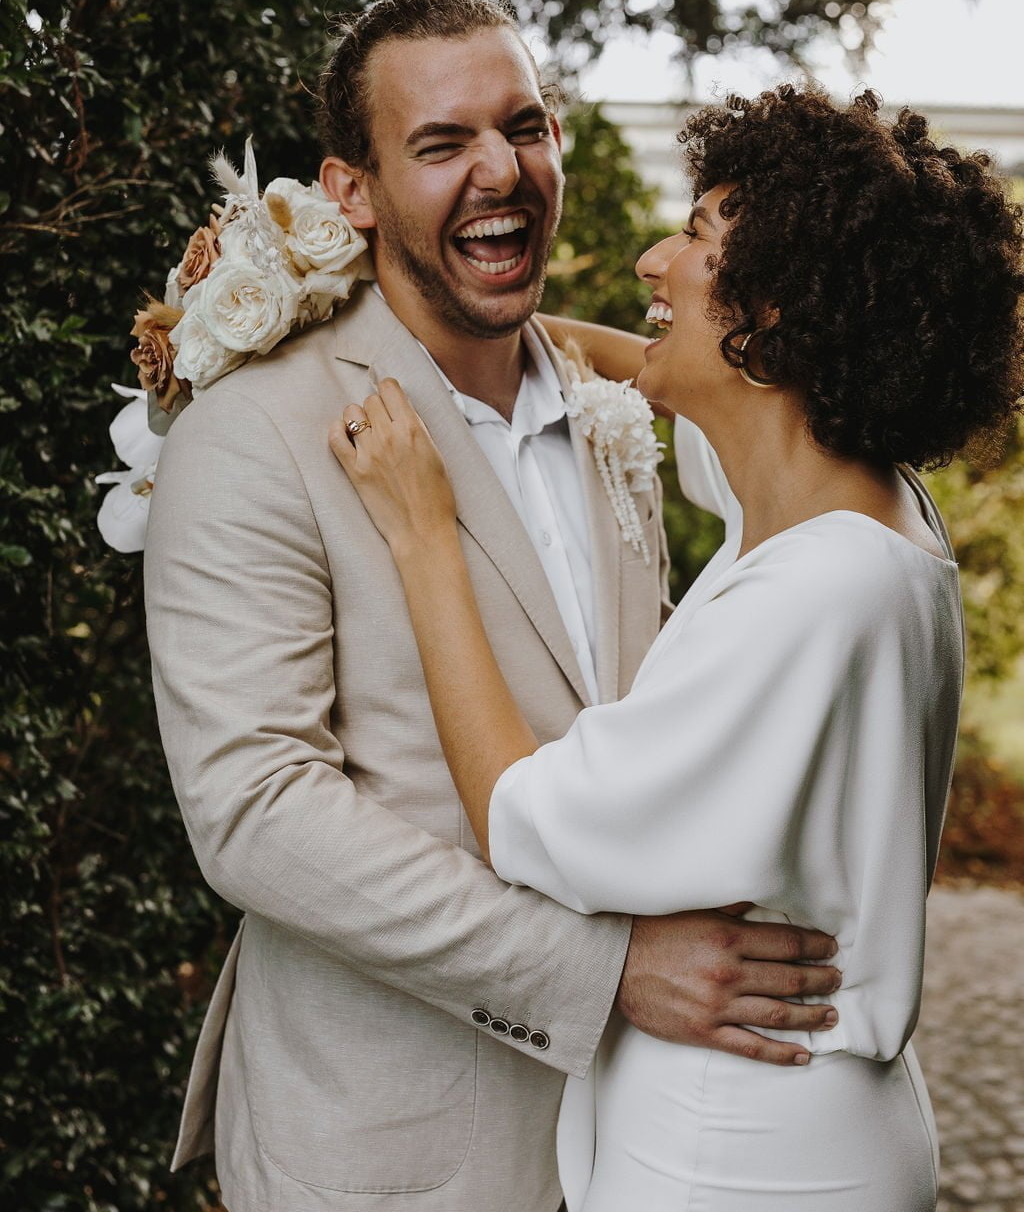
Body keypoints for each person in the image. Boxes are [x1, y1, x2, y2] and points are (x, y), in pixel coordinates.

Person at [144, 0, 841, 1212]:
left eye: (523, 127)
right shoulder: (254, 432)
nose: (499, 171)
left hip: (640, 1139)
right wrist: (605, 971)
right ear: (351, 192)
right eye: (440, 143)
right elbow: (255, 811)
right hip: (392, 1150)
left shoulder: (610, 405)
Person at [330, 83, 1024, 1211]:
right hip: (807, 1122)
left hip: (739, 1150)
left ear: (779, 311)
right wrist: (470, 321)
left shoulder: (816, 593)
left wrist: (423, 534)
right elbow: (662, 386)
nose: (654, 261)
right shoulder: (853, 500)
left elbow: (518, 813)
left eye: (697, 237)